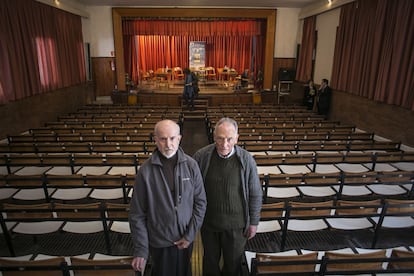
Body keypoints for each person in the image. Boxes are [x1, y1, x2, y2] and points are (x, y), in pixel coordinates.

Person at [129, 119, 207, 276]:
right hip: (159, 241)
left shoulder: (191, 166)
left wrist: (190, 235)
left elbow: (200, 203)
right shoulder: (145, 171)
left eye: (172, 138)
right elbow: (137, 214)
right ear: (156, 139)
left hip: (185, 239)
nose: (168, 144)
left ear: (179, 138)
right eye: (163, 139)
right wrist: (141, 249)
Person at [193, 117, 263, 276]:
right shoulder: (201, 156)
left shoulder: (246, 159)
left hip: (236, 225)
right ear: (214, 135)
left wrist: (254, 222)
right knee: (210, 262)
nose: (224, 144)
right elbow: (192, 190)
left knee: (233, 264)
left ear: (237, 138)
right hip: (209, 222)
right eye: (220, 138)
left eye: (229, 139)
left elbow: (255, 193)